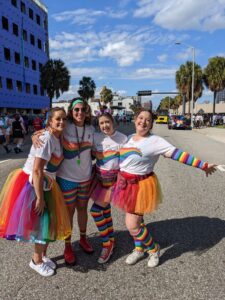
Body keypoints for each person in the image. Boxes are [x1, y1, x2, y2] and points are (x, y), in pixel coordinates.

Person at [112, 108, 217, 268]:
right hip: (125, 185)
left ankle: (153, 249)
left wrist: (202, 165)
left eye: (148, 120)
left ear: (152, 124)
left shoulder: (156, 141)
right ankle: (139, 248)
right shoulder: (128, 138)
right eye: (140, 118)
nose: (143, 122)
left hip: (141, 186)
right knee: (138, 221)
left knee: (132, 224)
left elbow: (179, 155)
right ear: (134, 119)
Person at [0, 107, 71, 277]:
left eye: (63, 119)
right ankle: (36, 260)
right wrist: (39, 198)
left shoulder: (55, 136)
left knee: (46, 224)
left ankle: (41, 256)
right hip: (35, 185)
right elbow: (38, 170)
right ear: (50, 121)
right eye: (57, 119)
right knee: (41, 225)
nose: (61, 122)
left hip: (46, 184)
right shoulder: (46, 138)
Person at [33, 98, 95, 265]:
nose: (80, 113)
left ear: (87, 111)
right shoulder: (65, 127)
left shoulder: (91, 129)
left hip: (85, 178)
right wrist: (34, 135)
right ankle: (67, 246)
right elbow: (48, 132)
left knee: (83, 209)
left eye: (82, 109)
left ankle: (83, 239)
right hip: (66, 178)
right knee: (68, 213)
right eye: (76, 110)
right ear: (71, 112)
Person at [90, 110, 127, 264]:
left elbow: (126, 161)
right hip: (98, 180)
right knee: (105, 210)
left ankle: (107, 244)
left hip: (113, 182)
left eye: (107, 122)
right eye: (101, 123)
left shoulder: (122, 139)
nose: (105, 126)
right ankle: (111, 236)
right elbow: (90, 153)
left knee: (95, 211)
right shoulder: (96, 137)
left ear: (113, 122)